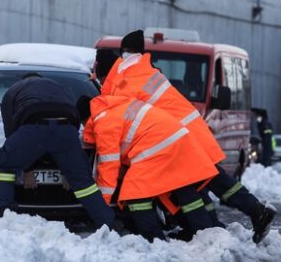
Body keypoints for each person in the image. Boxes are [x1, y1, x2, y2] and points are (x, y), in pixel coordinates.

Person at [101, 30, 276, 243]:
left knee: (204, 180)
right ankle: (232, 218)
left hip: (179, 135)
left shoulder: (127, 78)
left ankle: (234, 218)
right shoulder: (149, 71)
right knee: (209, 179)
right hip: (190, 129)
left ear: (123, 52)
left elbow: (123, 115)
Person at [80, 95, 218, 242]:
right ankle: (203, 232)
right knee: (183, 191)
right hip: (175, 141)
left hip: (158, 147)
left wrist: (100, 203)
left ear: (84, 118)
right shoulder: (114, 108)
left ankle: (153, 239)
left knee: (135, 193)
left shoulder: (103, 123)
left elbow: (109, 165)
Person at [0, 73, 115, 229]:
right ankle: (107, 223)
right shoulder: (56, 87)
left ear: (24, 81)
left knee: (4, 164)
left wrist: (27, 168)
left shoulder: (13, 90)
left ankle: (6, 217)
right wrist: (66, 169)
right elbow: (73, 119)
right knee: (83, 182)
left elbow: (11, 132)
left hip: (33, 127)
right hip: (66, 129)